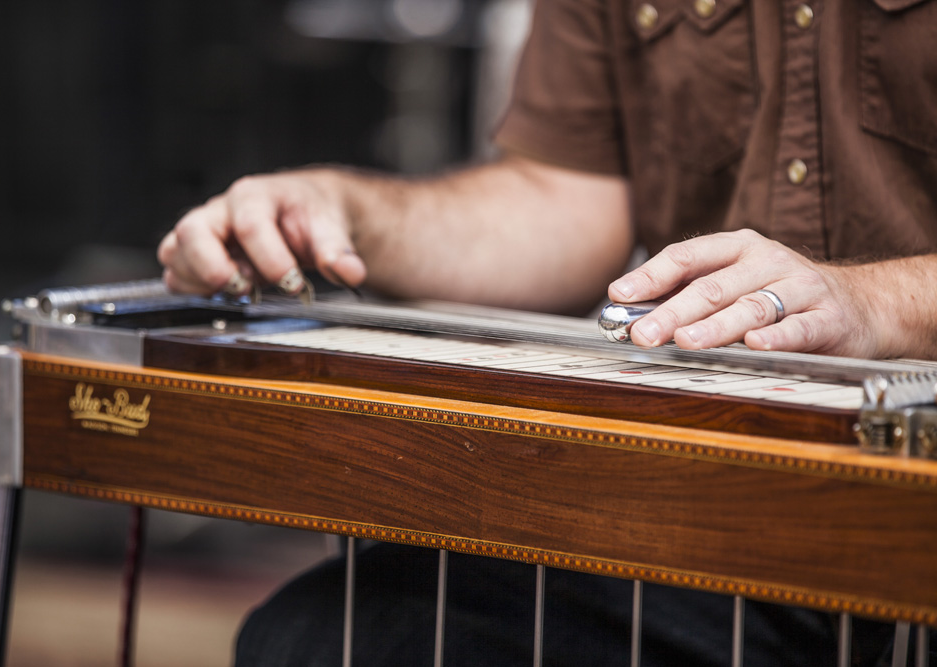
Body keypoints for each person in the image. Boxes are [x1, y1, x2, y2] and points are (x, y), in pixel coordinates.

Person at [158, 0, 937, 663]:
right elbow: (568, 200)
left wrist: (877, 302)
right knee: (326, 639)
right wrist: (347, 213)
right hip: (719, 492)